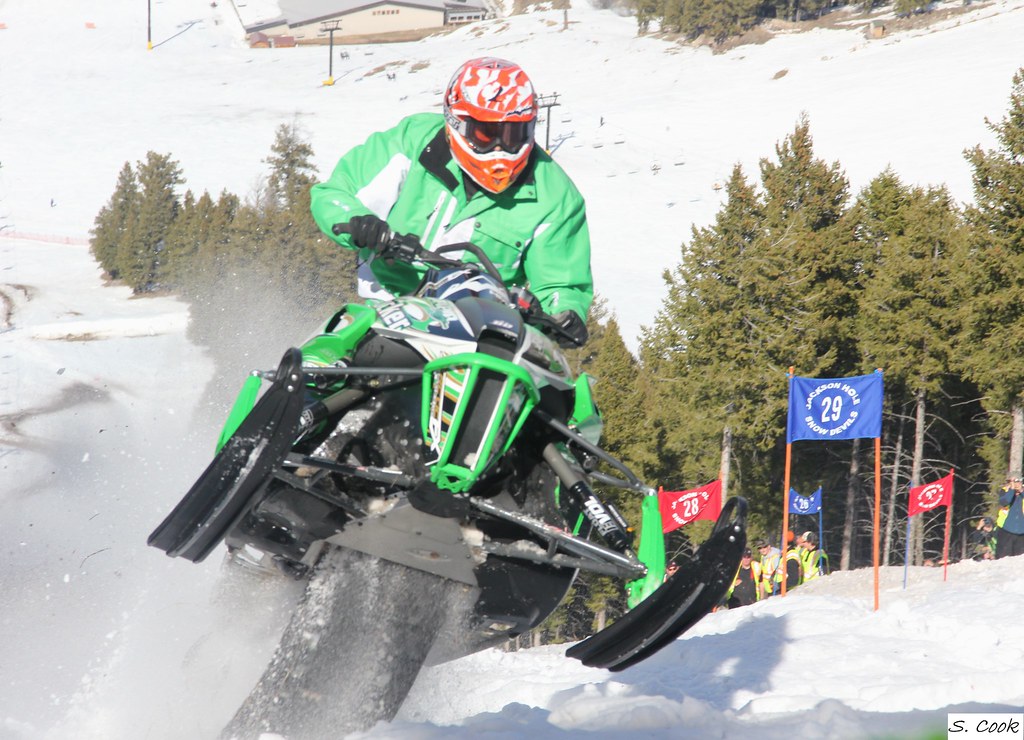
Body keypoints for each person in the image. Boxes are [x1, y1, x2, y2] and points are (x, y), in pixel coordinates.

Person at [309, 57, 593, 347]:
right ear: (455, 123)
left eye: (513, 134)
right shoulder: (412, 142)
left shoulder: (556, 197)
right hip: (387, 312)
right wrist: (361, 222)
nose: (500, 148)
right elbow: (335, 194)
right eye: (486, 134)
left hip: (483, 336)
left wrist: (564, 315)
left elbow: (561, 283)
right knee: (320, 364)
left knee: (543, 387)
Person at [996, 476, 1024, 558]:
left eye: (1018, 481)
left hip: (1021, 532)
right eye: (1013, 481)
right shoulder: (1005, 490)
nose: (1016, 483)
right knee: (1003, 559)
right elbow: (1004, 501)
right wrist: (1012, 490)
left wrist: (1021, 491)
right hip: (1006, 529)